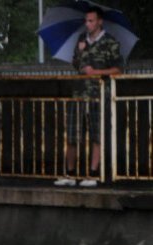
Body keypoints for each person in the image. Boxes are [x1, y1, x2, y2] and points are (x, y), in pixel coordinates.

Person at [54, 7, 123, 188]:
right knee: (72, 135)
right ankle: (69, 174)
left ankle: (92, 174)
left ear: (100, 21)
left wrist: (96, 72)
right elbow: (77, 64)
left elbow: (118, 69)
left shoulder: (110, 42)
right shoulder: (81, 40)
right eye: (86, 21)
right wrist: (82, 51)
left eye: (91, 21)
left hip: (98, 95)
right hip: (79, 94)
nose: (88, 24)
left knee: (96, 136)